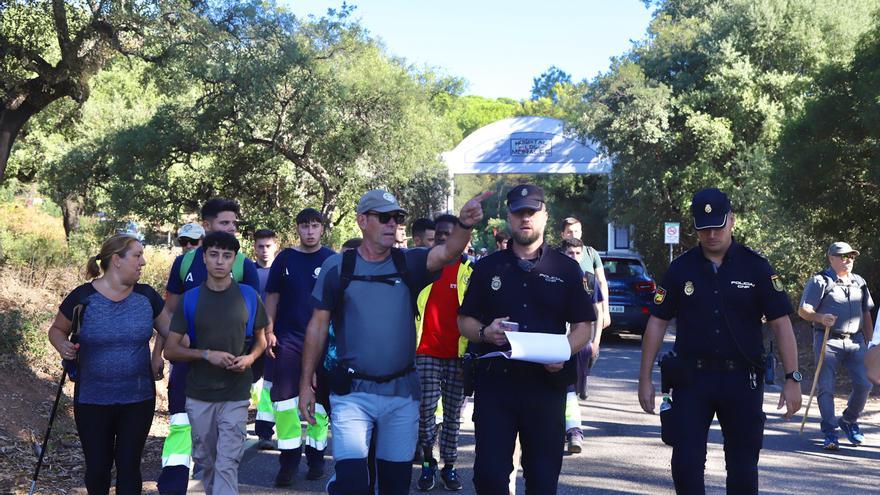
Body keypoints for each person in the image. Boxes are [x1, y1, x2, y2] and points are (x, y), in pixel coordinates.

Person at [298, 189, 488, 495]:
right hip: (352, 395)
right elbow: (317, 327)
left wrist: (464, 225)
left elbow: (447, 252)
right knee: (352, 484)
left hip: (401, 394)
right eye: (384, 217)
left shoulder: (409, 262)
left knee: (396, 485)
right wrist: (305, 383)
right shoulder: (338, 267)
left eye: (397, 218)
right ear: (361, 221)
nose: (392, 224)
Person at [637, 188, 802, 494]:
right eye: (704, 228)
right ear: (695, 228)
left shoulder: (756, 267)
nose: (712, 234)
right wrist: (644, 378)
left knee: (742, 469)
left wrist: (793, 378)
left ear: (732, 222)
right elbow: (657, 323)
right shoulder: (680, 269)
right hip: (692, 379)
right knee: (685, 465)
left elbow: (781, 324)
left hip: (741, 380)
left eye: (718, 225)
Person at [458, 184, 595, 494]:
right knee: (490, 478)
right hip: (496, 387)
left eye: (531, 212)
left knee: (543, 480)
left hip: (546, 388)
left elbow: (583, 326)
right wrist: (483, 332)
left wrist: (563, 351)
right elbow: (463, 321)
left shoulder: (567, 270)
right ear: (509, 217)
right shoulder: (487, 268)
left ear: (545, 216)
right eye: (519, 213)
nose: (525, 219)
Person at [47, 234, 168, 494]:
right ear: (116, 260)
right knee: (98, 469)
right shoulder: (82, 297)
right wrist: (63, 345)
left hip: (138, 398)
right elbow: (56, 330)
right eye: (137, 256)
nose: (143, 262)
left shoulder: (147, 296)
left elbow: (174, 332)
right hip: (92, 400)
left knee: (129, 467)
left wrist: (158, 354)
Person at [156, 198, 261, 495]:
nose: (232, 228)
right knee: (179, 421)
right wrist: (157, 352)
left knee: (223, 452)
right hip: (185, 362)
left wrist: (250, 358)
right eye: (225, 223)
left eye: (234, 224)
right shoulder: (185, 262)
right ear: (207, 225)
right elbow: (168, 311)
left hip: (229, 373)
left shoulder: (244, 265)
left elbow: (255, 321)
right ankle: (174, 481)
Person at [263, 208, 336, 486]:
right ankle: (288, 461)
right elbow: (272, 296)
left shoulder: (332, 259)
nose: (309, 231)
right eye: (304, 226)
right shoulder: (285, 258)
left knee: (318, 403)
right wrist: (268, 331)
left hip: (321, 343)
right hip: (288, 340)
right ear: (298, 229)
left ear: (321, 229)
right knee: (283, 402)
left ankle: (316, 458)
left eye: (314, 225)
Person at [414, 213, 473, 491]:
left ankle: (449, 466)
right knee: (425, 413)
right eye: (439, 235)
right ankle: (428, 464)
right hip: (425, 351)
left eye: (449, 235)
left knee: (452, 416)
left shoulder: (469, 272)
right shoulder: (423, 268)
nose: (443, 240)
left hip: (457, 355)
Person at [797, 241, 874, 450]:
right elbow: (803, 310)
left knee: (865, 384)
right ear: (831, 258)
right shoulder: (820, 280)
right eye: (843, 256)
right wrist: (821, 317)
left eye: (851, 256)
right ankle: (830, 432)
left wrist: (871, 342)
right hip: (827, 339)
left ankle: (848, 421)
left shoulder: (859, 282)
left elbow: (866, 312)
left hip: (856, 341)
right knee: (826, 388)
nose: (848, 260)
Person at [558, 237, 604, 454]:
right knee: (563, 388)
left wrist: (595, 341)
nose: (575, 258)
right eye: (570, 254)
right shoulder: (552, 276)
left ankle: (572, 430)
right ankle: (572, 431)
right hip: (557, 342)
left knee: (573, 389)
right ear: (563, 254)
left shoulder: (589, 279)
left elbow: (597, 312)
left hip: (579, 344)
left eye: (578, 254)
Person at [251, 228, 279, 451]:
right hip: (249, 336)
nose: (264, 250)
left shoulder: (282, 271)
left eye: (268, 246)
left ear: (275, 247)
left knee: (269, 385)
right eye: (260, 246)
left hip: (273, 336)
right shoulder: (248, 271)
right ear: (254, 248)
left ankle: (264, 432)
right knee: (246, 383)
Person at [560, 217, 611, 332]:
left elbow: (601, 282)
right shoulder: (555, 254)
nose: (573, 235)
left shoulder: (590, 253)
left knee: (588, 348)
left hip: (587, 316)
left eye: (576, 231)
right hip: (562, 319)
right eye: (569, 232)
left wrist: (605, 311)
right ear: (562, 234)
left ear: (581, 233)